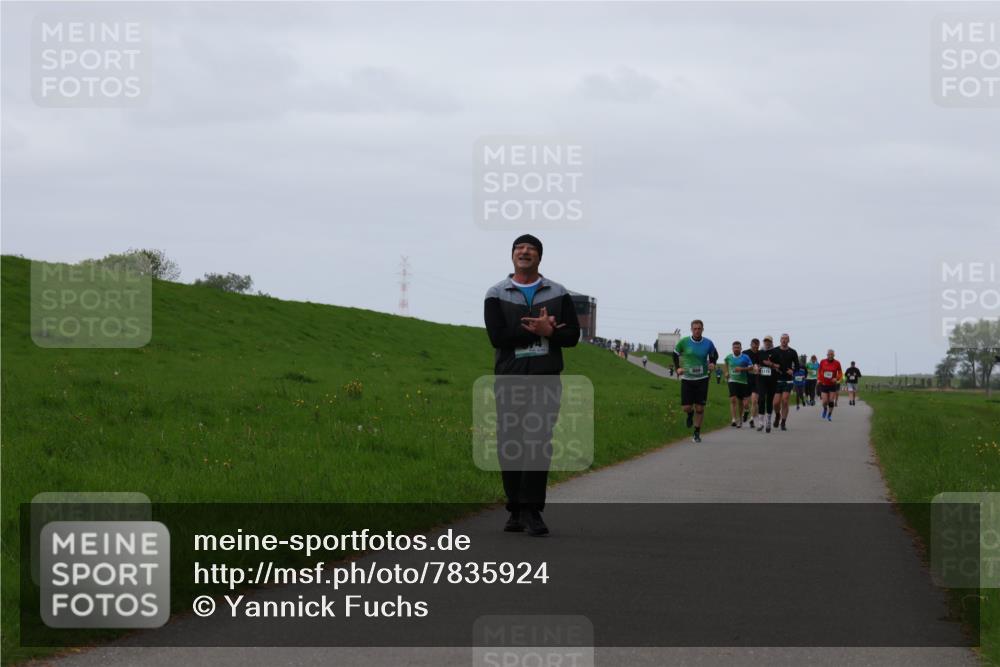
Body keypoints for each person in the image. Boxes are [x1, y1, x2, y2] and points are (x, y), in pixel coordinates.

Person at [484, 234, 580, 536]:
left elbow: (573, 337)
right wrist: (542, 329)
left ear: (540, 257)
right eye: (519, 248)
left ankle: (532, 510)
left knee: (539, 441)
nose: (525, 252)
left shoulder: (559, 292)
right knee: (511, 442)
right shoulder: (496, 293)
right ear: (512, 255)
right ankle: (514, 508)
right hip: (509, 378)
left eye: (531, 249)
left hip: (545, 378)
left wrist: (550, 333)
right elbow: (498, 337)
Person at [672, 319, 719, 443]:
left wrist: (713, 363)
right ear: (691, 329)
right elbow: (675, 354)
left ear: (703, 329)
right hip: (687, 378)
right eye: (695, 328)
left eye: (699, 328)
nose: (697, 330)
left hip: (702, 379)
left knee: (700, 408)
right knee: (686, 407)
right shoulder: (684, 342)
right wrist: (678, 368)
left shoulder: (708, 343)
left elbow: (714, 354)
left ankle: (696, 433)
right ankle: (689, 414)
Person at [769, 333, 800, 431]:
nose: (784, 340)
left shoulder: (793, 352)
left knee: (785, 400)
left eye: (786, 339)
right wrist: (774, 366)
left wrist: (793, 371)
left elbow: (798, 366)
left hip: (788, 380)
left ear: (789, 340)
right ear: (780, 340)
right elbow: (769, 363)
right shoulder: (774, 351)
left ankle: (783, 422)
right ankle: (778, 415)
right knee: (775, 403)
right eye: (782, 338)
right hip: (776, 380)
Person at [724, 341, 753, 428]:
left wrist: (742, 369)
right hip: (732, 380)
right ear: (732, 349)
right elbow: (725, 363)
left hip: (743, 382)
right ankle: (733, 419)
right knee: (733, 399)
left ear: (741, 348)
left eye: (738, 347)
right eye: (735, 347)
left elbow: (751, 367)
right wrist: (726, 372)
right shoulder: (729, 357)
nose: (736, 349)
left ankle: (740, 418)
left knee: (742, 403)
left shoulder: (745, 357)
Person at [754, 336, 779, 433]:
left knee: (769, 400)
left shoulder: (776, 352)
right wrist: (756, 367)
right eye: (765, 341)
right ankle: (760, 423)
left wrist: (771, 364)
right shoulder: (760, 352)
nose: (767, 343)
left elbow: (779, 365)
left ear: (772, 342)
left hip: (772, 379)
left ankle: (768, 422)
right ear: (763, 342)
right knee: (761, 399)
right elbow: (755, 364)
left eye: (769, 341)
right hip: (761, 379)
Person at [817, 349, 844, 422]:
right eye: (829, 354)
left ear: (834, 355)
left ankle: (829, 415)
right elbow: (819, 371)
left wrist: (837, 378)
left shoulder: (837, 363)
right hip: (824, 384)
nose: (830, 355)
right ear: (827, 355)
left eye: (832, 354)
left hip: (832, 384)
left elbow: (840, 373)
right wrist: (819, 379)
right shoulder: (823, 361)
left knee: (831, 401)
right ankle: (825, 409)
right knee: (825, 401)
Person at [744, 338, 761, 428]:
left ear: (758, 345)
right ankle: (746, 411)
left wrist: (759, 367)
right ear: (751, 345)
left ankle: (751, 419)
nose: (755, 346)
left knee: (754, 401)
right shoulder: (745, 353)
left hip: (757, 379)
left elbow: (764, 365)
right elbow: (741, 363)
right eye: (754, 344)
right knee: (746, 403)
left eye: (757, 345)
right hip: (746, 379)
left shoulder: (761, 354)